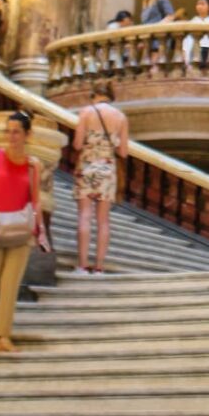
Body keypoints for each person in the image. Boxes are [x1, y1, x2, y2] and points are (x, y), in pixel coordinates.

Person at [0, 110, 50, 353]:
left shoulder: (34, 165)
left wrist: (39, 232)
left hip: (20, 230)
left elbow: (36, 201)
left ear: (27, 134)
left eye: (16, 131)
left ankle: (2, 336)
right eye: (8, 131)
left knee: (10, 284)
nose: (11, 136)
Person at [72, 80, 129, 275]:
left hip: (87, 165)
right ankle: (99, 267)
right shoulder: (121, 117)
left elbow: (78, 144)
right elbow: (123, 152)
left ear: (94, 94)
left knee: (84, 216)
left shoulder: (86, 112)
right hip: (107, 168)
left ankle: (81, 265)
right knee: (103, 220)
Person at [182, 0, 209, 71]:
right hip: (194, 51)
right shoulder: (193, 20)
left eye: (202, 4)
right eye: (198, 4)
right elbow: (186, 41)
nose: (199, 6)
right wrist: (185, 58)